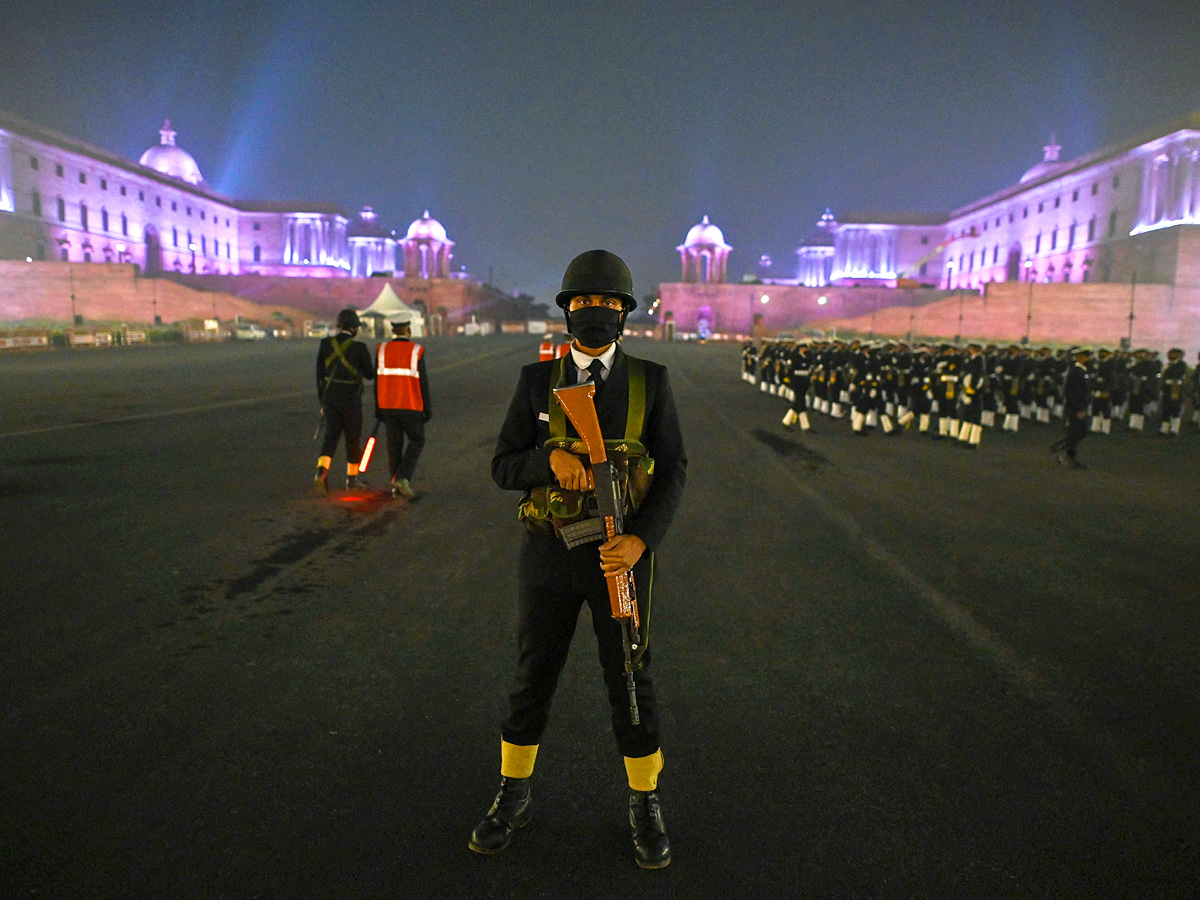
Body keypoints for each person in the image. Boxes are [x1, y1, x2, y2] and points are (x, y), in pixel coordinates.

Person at [472, 249, 687, 869]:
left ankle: (644, 802)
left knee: (630, 679)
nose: (596, 312)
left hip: (621, 558)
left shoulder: (653, 381)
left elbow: (673, 470)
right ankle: (513, 793)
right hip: (549, 555)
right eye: (584, 303)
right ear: (567, 312)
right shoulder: (537, 383)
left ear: (626, 313)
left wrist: (642, 540)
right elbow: (502, 464)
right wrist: (548, 462)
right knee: (533, 674)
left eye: (608, 303)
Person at [314, 308, 374, 492]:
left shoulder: (325, 344)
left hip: (330, 400)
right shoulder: (359, 348)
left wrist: (322, 403)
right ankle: (352, 480)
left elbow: (319, 376)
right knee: (352, 439)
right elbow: (370, 375)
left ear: (340, 326)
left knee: (331, 437)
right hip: (351, 400)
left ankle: (321, 473)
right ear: (354, 328)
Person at [375, 315, 431, 499]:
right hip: (410, 404)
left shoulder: (382, 350)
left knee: (394, 446)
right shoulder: (416, 350)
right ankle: (402, 478)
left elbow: (377, 381)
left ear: (393, 331)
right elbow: (423, 382)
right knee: (417, 440)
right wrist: (427, 407)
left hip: (388, 406)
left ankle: (395, 485)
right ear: (408, 330)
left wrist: (378, 407)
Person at [1050, 347, 1092, 468]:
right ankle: (1063, 451)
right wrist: (1080, 409)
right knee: (1079, 431)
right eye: (1086, 356)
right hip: (1075, 407)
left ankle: (1064, 451)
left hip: (1076, 406)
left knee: (1076, 431)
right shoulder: (1077, 371)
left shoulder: (1080, 370)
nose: (1088, 359)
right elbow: (1074, 392)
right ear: (1080, 357)